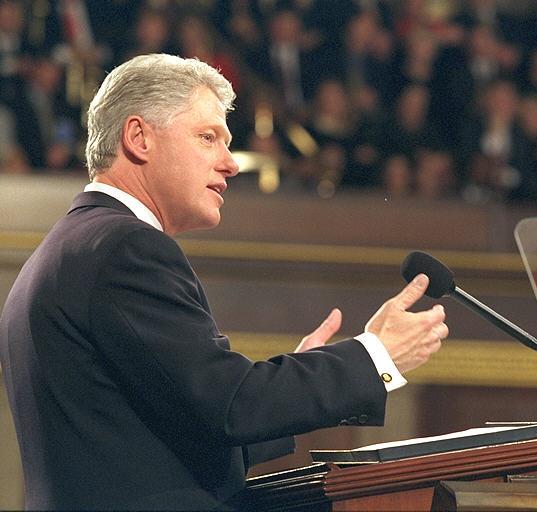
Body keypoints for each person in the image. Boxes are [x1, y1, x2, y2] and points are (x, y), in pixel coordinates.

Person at [0, 54, 448, 510]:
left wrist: (299, 381)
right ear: (138, 138)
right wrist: (376, 355)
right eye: (207, 137)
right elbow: (231, 405)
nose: (231, 164)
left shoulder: (74, 246)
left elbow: (186, 432)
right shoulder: (126, 248)